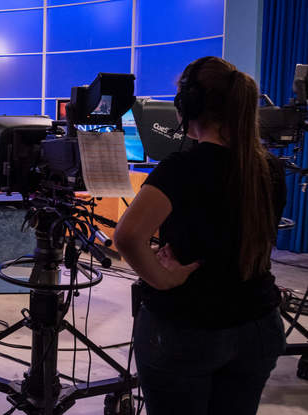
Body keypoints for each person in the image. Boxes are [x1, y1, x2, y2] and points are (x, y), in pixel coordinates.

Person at [114, 57, 287, 415]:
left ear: (187, 106)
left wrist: (162, 278)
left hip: (188, 329)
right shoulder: (269, 168)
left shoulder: (182, 168)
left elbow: (128, 236)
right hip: (258, 326)